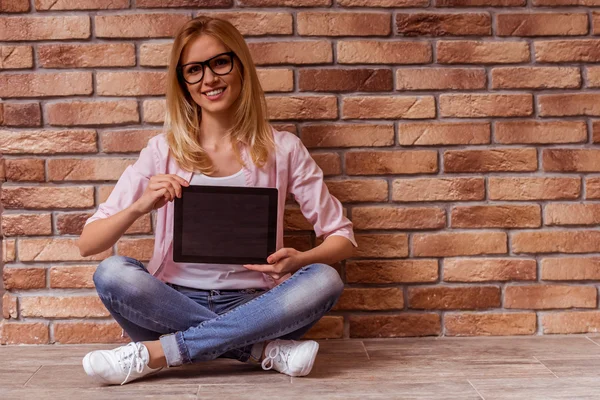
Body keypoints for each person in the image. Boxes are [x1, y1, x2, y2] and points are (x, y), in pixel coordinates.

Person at [77, 16, 357, 386]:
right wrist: (140, 206)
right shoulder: (162, 151)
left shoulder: (284, 149)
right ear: (183, 83)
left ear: (240, 65)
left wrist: (302, 259)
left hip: (257, 306)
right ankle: (258, 351)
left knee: (324, 278)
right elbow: (88, 243)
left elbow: (343, 238)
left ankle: (160, 353)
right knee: (112, 273)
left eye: (219, 63)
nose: (209, 79)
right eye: (194, 70)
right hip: (169, 302)